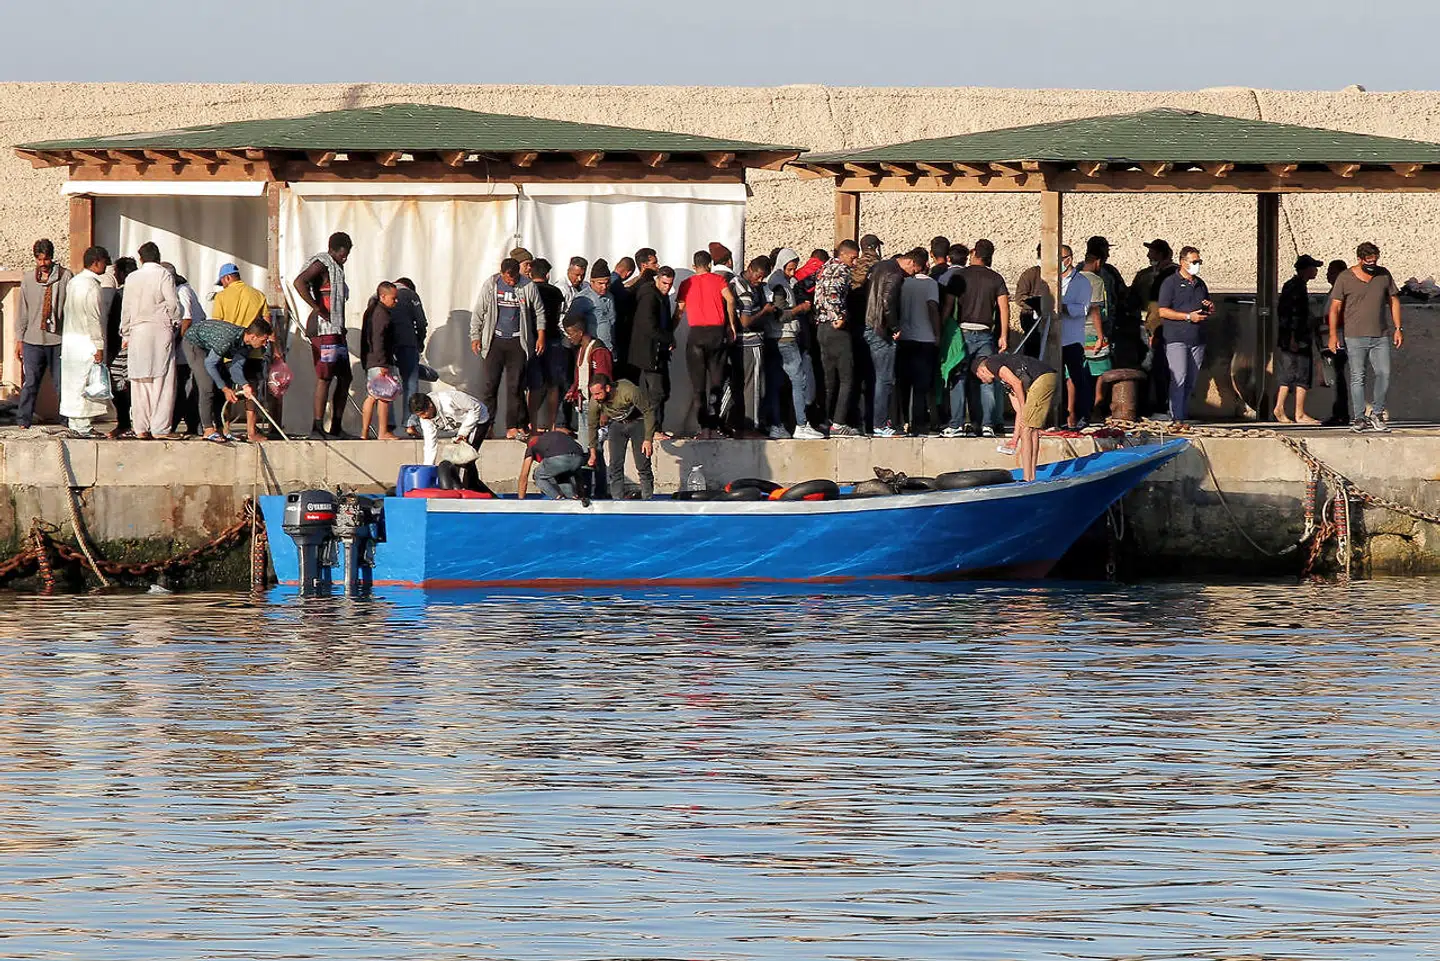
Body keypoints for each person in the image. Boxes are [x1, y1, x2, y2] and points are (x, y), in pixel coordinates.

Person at [1327, 242, 1402, 433]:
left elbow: (1393, 300)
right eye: (1368, 262)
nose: (1372, 265)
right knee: (1357, 377)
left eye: (1375, 261)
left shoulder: (1383, 275)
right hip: (1354, 336)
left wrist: (1398, 328)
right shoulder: (1345, 278)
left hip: (1380, 335)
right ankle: (1359, 417)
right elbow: (1335, 308)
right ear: (1359, 259)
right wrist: (1333, 334)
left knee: (1384, 373)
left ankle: (1377, 413)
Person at [471, 256, 547, 439]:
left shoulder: (527, 285)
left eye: (514, 279)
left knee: (515, 386)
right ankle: (487, 425)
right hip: (495, 340)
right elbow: (479, 311)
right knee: (490, 385)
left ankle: (512, 426)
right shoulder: (491, 284)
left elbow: (539, 311)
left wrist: (541, 336)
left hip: (517, 341)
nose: (511, 282)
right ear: (502, 273)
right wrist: (475, 336)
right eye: (508, 279)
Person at [944, 239, 1010, 437]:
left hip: (962, 334)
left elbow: (948, 305)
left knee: (959, 378)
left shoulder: (959, 276)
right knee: (986, 378)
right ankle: (987, 424)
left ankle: (956, 424)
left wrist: (941, 329)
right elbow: (1004, 307)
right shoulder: (996, 278)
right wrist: (1004, 335)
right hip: (985, 334)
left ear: (974, 253)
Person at [293, 231, 353, 439]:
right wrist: (317, 308)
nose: (345, 258)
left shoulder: (337, 268)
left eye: (347, 255)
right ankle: (317, 427)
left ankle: (336, 427)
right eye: (343, 254)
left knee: (345, 377)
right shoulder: (322, 263)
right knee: (325, 376)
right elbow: (299, 282)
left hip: (336, 330)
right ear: (333, 250)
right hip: (323, 330)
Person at [120, 242, 182, 440]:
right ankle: (160, 428)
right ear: (158, 256)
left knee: (140, 380)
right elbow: (173, 304)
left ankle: (140, 427)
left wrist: (125, 333)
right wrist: (176, 321)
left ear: (141, 259)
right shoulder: (163, 274)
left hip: (137, 331)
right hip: (160, 329)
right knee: (162, 380)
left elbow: (126, 309)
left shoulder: (132, 277)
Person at [675, 249, 736, 438]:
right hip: (716, 334)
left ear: (694, 266)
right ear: (710, 265)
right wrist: (731, 325)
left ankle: (704, 429)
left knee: (698, 387)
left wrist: (669, 332)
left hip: (696, 336)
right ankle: (714, 425)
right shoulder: (718, 280)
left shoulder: (687, 283)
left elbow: (679, 311)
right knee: (716, 383)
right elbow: (730, 299)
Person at [183, 317, 273, 442]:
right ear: (253, 337)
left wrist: (245, 385)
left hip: (211, 346)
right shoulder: (228, 339)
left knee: (223, 383)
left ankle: (221, 429)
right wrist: (224, 389)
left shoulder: (247, 345)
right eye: (263, 340)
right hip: (195, 344)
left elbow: (236, 367)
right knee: (207, 386)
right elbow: (210, 364)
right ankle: (208, 429)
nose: (265, 344)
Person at [863, 248, 921, 436]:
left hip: (868, 324)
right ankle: (880, 424)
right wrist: (895, 327)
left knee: (874, 378)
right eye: (914, 271)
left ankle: (872, 421)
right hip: (881, 330)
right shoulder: (895, 274)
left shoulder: (879, 266)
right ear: (911, 262)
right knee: (885, 379)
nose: (912, 275)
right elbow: (887, 302)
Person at [16, 239, 73, 429]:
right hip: (32, 340)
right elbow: (23, 312)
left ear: (52, 257)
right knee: (30, 382)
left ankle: (67, 420)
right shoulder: (28, 279)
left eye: (46, 259)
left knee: (61, 383)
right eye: (39, 259)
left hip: (58, 340)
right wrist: (19, 339)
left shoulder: (65, 277)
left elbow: (71, 309)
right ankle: (23, 420)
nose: (43, 263)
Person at [975, 353, 1059, 482]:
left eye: (979, 377)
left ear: (981, 370)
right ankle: (1031, 477)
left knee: (1027, 429)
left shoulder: (991, 363)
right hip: (1044, 378)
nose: (982, 381)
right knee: (1032, 429)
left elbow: (1017, 383)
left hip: (1042, 378)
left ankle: (1027, 478)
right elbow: (1019, 411)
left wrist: (1023, 405)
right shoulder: (1003, 380)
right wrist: (1014, 439)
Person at [210, 262, 269, 442]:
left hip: (228, 352)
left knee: (227, 390)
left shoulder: (221, 297)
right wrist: (275, 351)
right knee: (251, 390)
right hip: (253, 351)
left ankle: (225, 429)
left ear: (227, 278)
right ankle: (251, 432)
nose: (223, 286)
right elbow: (267, 325)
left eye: (222, 282)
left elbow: (217, 325)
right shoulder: (258, 295)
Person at [1156, 246, 1214, 424]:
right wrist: (1188, 316)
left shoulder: (1200, 283)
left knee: (1191, 380)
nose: (1197, 265)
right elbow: (1163, 311)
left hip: (1197, 339)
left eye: (1199, 261)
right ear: (1183, 262)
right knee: (1178, 378)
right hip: (1176, 338)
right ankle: (1177, 417)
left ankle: (1183, 413)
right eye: (1194, 262)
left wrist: (1209, 308)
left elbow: (1205, 305)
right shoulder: (1170, 283)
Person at [57, 246, 110, 437]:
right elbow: (93, 318)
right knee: (86, 384)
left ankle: (75, 423)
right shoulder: (91, 286)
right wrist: (99, 345)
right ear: (96, 263)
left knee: (74, 384)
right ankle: (83, 426)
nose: (106, 266)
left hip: (71, 340)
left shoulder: (74, 282)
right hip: (86, 341)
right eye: (104, 262)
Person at [764, 250, 818, 439]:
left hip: (773, 339)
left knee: (775, 384)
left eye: (794, 269)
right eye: (790, 269)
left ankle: (776, 425)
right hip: (785, 338)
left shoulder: (776, 281)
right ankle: (801, 424)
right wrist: (800, 309)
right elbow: (780, 315)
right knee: (799, 381)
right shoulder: (779, 284)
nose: (793, 273)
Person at [562, 308, 613, 496]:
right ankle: (590, 489)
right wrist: (573, 390)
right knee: (587, 449)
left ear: (580, 331)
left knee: (594, 450)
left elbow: (604, 381)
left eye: (570, 334)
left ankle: (599, 491)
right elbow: (581, 377)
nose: (569, 338)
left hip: (595, 408)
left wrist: (604, 411)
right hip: (583, 405)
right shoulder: (581, 350)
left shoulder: (598, 351)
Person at [813, 241, 859, 436]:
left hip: (821, 328)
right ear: (844, 254)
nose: (854, 263)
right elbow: (833, 293)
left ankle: (824, 419)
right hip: (836, 329)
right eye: (853, 258)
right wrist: (838, 317)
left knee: (828, 379)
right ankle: (839, 422)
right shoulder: (842, 270)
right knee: (847, 378)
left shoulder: (824, 268)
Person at [586, 373, 656, 501]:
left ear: (607, 388)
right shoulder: (595, 402)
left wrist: (648, 439)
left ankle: (647, 498)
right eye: (593, 394)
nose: (595, 397)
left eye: (598, 394)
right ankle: (617, 499)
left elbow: (648, 411)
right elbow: (592, 426)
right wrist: (592, 453)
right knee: (615, 465)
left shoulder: (628, 391)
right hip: (616, 425)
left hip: (637, 422)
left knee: (642, 464)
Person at [1275, 255, 1324, 425]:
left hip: (1293, 337)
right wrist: (1293, 338)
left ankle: (1284, 408)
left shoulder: (1294, 285)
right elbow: (1292, 314)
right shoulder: (1296, 287)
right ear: (1305, 269)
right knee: (1301, 374)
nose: (1316, 271)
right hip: (1297, 338)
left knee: (1290, 374)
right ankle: (1298, 413)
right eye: (1313, 267)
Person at [409, 391, 491, 491]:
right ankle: (483, 493)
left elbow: (475, 407)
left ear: (430, 405)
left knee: (463, 459)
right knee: (467, 465)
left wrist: (463, 432)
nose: (423, 417)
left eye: (423, 413)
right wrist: (428, 468)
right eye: (419, 415)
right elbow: (430, 443)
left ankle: (463, 491)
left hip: (478, 420)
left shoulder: (448, 399)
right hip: (460, 429)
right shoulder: (425, 419)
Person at [897, 251, 941, 435]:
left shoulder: (904, 282)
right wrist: (937, 333)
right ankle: (919, 423)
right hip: (925, 338)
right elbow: (932, 307)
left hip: (904, 338)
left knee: (904, 384)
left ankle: (902, 422)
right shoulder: (930, 284)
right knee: (921, 386)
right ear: (926, 265)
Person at [731, 255, 776, 436]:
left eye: (763, 277)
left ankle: (733, 423)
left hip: (737, 342)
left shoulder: (735, 282)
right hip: (751, 342)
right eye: (758, 275)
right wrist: (764, 311)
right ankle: (752, 427)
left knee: (737, 384)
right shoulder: (746, 290)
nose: (760, 280)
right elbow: (745, 321)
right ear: (750, 268)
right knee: (754, 385)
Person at [628, 264, 675, 433]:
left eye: (670, 284)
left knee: (662, 392)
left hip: (658, 351)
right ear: (657, 280)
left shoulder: (661, 297)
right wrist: (668, 338)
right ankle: (653, 430)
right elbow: (648, 326)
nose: (667, 287)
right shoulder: (649, 297)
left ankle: (656, 428)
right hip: (648, 352)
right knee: (657, 393)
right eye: (664, 283)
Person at [527, 260, 569, 432]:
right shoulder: (555, 292)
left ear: (531, 273)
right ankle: (552, 424)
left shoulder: (528, 290)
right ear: (547, 275)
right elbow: (558, 315)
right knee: (553, 385)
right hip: (553, 339)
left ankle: (532, 424)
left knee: (534, 385)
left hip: (532, 340)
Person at [359, 281, 399, 441]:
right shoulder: (381, 314)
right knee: (383, 397)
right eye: (393, 298)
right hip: (379, 361)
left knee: (372, 396)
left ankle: (364, 432)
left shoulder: (372, 311)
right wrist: (382, 363)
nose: (396, 301)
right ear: (382, 296)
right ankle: (383, 432)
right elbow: (378, 339)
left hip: (371, 359)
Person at [168, 265, 206, 436]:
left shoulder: (182, 291)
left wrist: (176, 342)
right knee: (186, 387)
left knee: (185, 388)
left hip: (187, 349)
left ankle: (188, 424)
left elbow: (187, 319)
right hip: (187, 349)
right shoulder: (185, 289)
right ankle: (191, 424)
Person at [103, 258, 137, 439]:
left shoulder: (121, 295)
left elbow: (113, 323)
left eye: (116, 272)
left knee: (120, 386)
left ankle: (125, 423)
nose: (115, 276)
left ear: (123, 273)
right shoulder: (141, 291)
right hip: (136, 345)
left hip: (121, 347)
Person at [390, 277, 428, 433]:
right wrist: (420, 341)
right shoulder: (411, 295)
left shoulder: (378, 294)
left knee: (386, 384)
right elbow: (421, 322)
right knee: (410, 381)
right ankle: (410, 423)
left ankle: (388, 424)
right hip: (407, 341)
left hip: (385, 343)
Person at [517, 429, 588, 501]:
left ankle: (558, 498)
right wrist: (581, 494)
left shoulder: (532, 444)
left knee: (538, 475)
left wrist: (520, 500)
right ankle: (572, 498)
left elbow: (524, 476)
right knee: (561, 475)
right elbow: (578, 476)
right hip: (579, 457)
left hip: (559, 458)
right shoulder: (553, 437)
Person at [1322, 259, 1351, 426]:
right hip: (1329, 341)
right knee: (1334, 379)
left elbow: (1341, 316)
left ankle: (1341, 413)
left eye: (1331, 272)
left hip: (1339, 341)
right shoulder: (1333, 291)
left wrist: (1324, 321)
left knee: (1338, 378)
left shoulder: (1343, 293)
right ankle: (1338, 412)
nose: (1328, 275)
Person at [1013, 244, 1050, 358]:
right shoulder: (1030, 274)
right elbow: (1020, 298)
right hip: (1032, 323)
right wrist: (1037, 304)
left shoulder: (1056, 274)